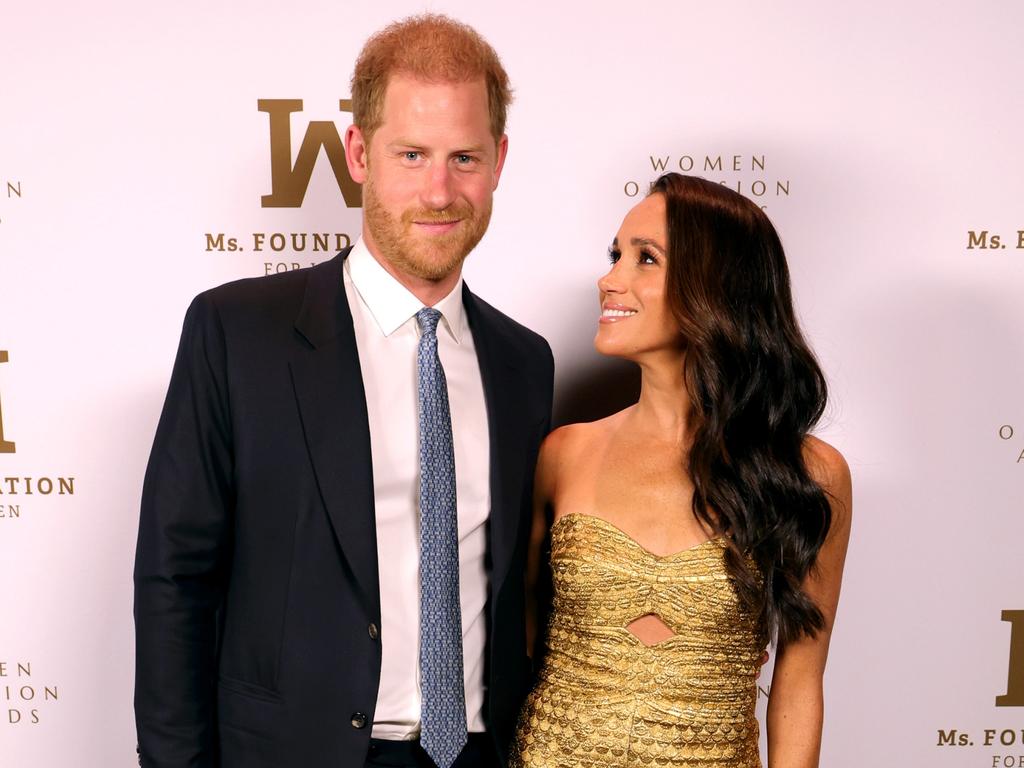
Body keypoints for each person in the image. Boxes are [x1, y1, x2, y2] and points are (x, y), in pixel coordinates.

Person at [134, 15, 553, 768]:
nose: (439, 190)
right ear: (359, 153)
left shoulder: (525, 363)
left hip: (479, 755)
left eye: (464, 157)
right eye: (412, 154)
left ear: (499, 162)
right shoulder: (239, 334)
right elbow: (176, 579)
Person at [510, 173, 852, 768]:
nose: (609, 279)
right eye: (615, 255)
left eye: (645, 259)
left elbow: (799, 682)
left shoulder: (810, 476)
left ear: (716, 287)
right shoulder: (564, 453)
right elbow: (522, 649)